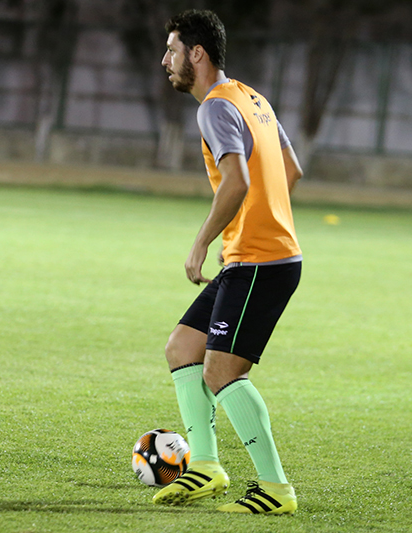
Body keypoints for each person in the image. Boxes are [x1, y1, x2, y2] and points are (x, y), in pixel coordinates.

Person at [151, 9, 304, 516]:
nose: (165, 59)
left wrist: (201, 242)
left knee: (221, 371)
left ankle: (276, 488)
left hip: (262, 262)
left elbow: (236, 181)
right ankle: (208, 467)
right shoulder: (251, 97)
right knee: (183, 348)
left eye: (172, 49)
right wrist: (250, 226)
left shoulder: (215, 107)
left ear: (197, 53)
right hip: (258, 256)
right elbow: (291, 170)